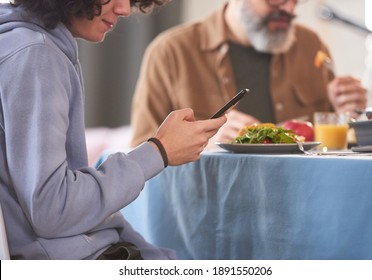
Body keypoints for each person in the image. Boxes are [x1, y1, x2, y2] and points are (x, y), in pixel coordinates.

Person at [0, 0, 226, 260]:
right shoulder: (37, 54)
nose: (125, 10)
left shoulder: (28, 43)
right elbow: (53, 208)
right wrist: (159, 151)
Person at [130, 0, 367, 147]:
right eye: (276, 0)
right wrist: (204, 141)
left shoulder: (311, 45)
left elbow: (333, 144)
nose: (290, 9)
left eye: (296, 0)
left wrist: (346, 114)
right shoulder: (171, 52)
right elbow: (141, 149)